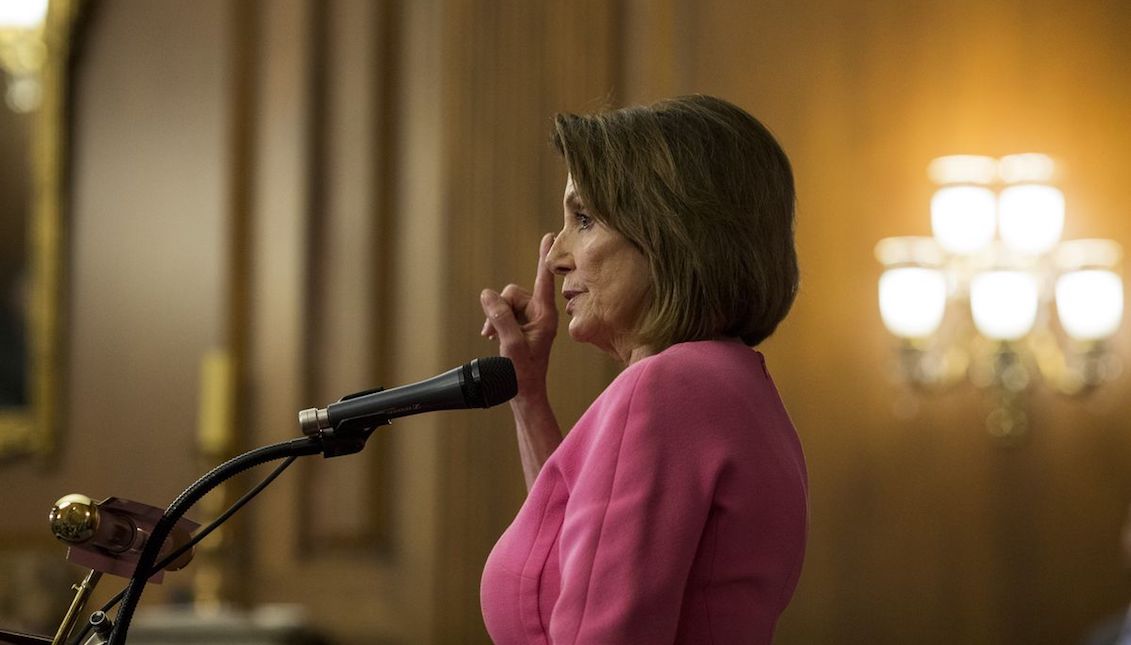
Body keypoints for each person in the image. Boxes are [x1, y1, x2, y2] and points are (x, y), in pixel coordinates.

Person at [477, 95, 807, 644]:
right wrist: (527, 393)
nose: (556, 255)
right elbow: (573, 549)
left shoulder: (665, 388)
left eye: (582, 218)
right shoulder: (732, 383)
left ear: (669, 230)